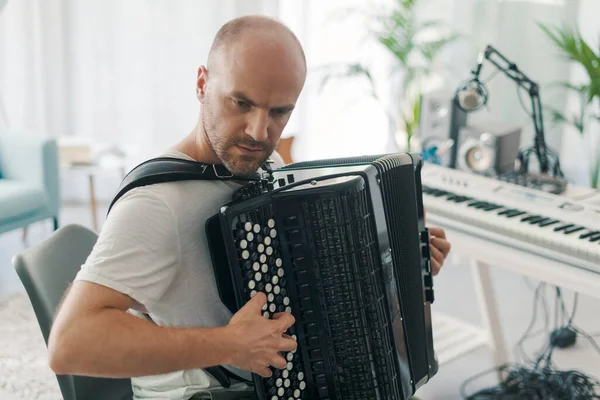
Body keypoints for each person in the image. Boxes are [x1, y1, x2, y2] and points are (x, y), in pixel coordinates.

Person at [47, 15, 452, 400]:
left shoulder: (264, 165)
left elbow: (302, 274)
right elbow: (69, 343)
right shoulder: (156, 205)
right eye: (241, 103)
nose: (259, 132)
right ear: (202, 84)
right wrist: (228, 343)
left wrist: (397, 261)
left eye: (279, 112)